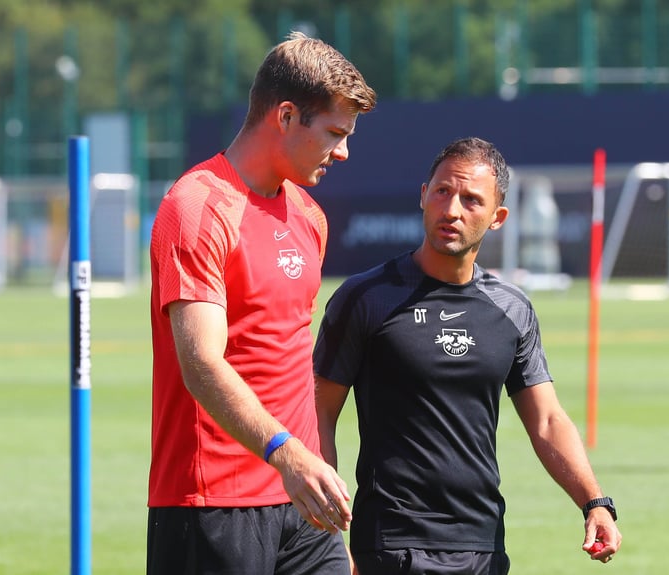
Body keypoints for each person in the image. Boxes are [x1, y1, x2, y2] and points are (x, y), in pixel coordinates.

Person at [313, 137, 622, 575]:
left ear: (497, 218)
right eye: (442, 192)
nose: (452, 210)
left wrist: (595, 502)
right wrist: (329, 537)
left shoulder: (512, 309)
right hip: (392, 544)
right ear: (423, 195)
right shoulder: (365, 298)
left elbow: (547, 421)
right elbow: (317, 414)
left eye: (471, 200)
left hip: (483, 545)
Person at [146, 31, 376, 574]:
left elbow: (292, 359)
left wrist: (313, 466)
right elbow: (202, 363)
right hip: (212, 503)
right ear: (287, 115)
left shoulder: (310, 217)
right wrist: (288, 453)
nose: (343, 152)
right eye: (335, 133)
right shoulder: (197, 207)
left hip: (301, 500)